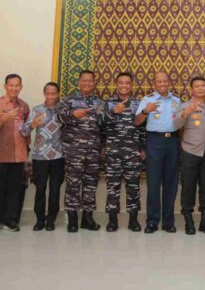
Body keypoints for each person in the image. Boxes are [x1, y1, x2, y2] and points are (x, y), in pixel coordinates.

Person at [56, 70, 104, 232]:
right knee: (73, 184)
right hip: (73, 151)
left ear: (94, 82)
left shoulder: (99, 103)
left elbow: (103, 127)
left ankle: (87, 218)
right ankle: (72, 219)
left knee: (91, 185)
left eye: (90, 81)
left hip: (93, 151)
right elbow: (58, 117)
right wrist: (73, 114)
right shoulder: (69, 100)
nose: (87, 83)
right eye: (84, 81)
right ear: (79, 82)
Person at [135, 71, 181, 233]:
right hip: (154, 142)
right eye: (158, 81)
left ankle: (168, 221)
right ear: (154, 83)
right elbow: (137, 121)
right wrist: (146, 111)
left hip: (173, 142)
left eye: (164, 81)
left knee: (171, 183)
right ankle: (153, 221)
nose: (162, 84)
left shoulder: (177, 100)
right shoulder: (148, 100)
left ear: (169, 82)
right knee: (153, 183)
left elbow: (181, 121)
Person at [0, 73, 30, 233]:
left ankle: (10, 221)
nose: (14, 88)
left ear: (21, 87)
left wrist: (30, 133)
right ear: (5, 86)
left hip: (18, 155)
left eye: (17, 85)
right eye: (11, 85)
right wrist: (4, 119)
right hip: (0, 154)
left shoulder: (24, 106)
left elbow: (26, 130)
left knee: (14, 190)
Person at [101, 72, 144, 232]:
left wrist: (143, 148)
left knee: (133, 186)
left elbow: (143, 128)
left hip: (132, 151)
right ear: (116, 84)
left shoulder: (138, 104)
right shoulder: (108, 104)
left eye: (127, 83)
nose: (124, 85)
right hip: (113, 151)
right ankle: (112, 220)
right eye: (121, 83)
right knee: (113, 186)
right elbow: (100, 124)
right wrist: (114, 112)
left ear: (131, 85)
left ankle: (133, 219)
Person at [174, 76, 205, 235]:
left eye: (203, 86)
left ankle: (204, 222)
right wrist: (186, 113)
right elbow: (175, 125)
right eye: (197, 86)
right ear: (191, 89)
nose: (200, 88)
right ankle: (189, 221)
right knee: (188, 186)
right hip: (190, 151)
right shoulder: (184, 106)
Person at [20, 82, 64, 231]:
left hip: (59, 156)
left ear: (58, 94)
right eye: (48, 93)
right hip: (40, 156)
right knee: (40, 189)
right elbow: (24, 131)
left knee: (55, 190)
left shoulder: (62, 110)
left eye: (53, 93)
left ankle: (51, 219)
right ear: (44, 93)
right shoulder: (36, 110)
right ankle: (39, 219)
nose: (50, 96)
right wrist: (33, 124)